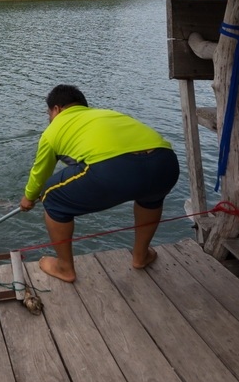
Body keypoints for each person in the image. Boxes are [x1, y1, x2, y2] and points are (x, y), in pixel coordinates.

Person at [19, 84, 180, 283]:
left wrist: (29, 197)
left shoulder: (53, 131)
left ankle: (64, 267)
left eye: (48, 113)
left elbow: (39, 173)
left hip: (114, 169)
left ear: (57, 109)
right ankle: (141, 256)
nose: (49, 119)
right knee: (151, 198)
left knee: (51, 196)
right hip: (165, 163)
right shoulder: (106, 114)